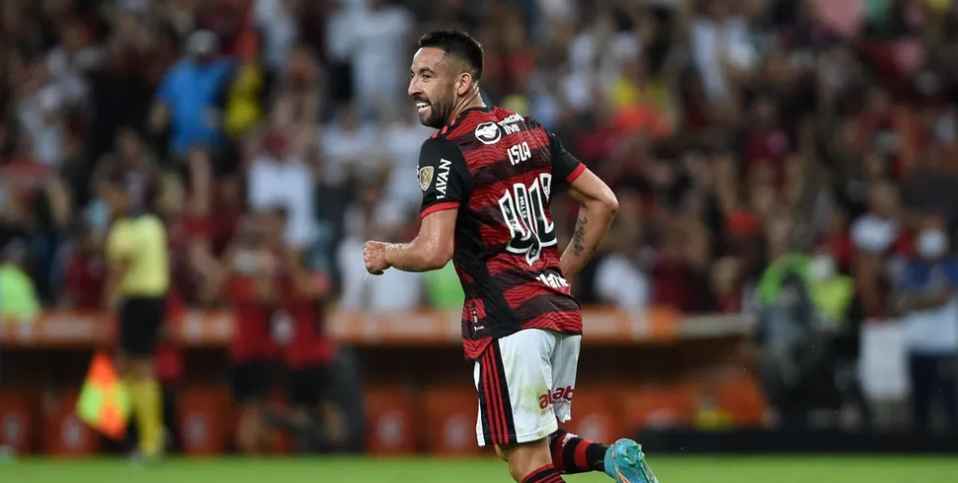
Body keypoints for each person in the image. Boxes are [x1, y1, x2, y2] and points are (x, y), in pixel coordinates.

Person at [363, 30, 656, 483]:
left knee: (526, 460)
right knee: (519, 439)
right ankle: (612, 461)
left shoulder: (446, 148)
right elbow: (603, 202)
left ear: (463, 83)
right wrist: (557, 273)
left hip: (508, 321)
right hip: (557, 313)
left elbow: (434, 250)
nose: (412, 88)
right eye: (412, 75)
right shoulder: (531, 130)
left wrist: (387, 253)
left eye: (425, 76)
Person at [102, 175, 170, 460]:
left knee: (137, 365)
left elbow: (119, 267)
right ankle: (142, 433)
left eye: (109, 197)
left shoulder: (124, 229)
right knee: (132, 365)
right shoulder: (154, 224)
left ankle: (150, 441)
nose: (107, 204)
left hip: (137, 300)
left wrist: (107, 301)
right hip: (157, 299)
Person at [895, 217, 958, 433]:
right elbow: (901, 303)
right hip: (917, 346)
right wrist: (927, 300)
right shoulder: (912, 267)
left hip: (945, 348)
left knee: (950, 404)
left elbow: (945, 297)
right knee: (919, 407)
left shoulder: (953, 266)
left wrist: (918, 301)